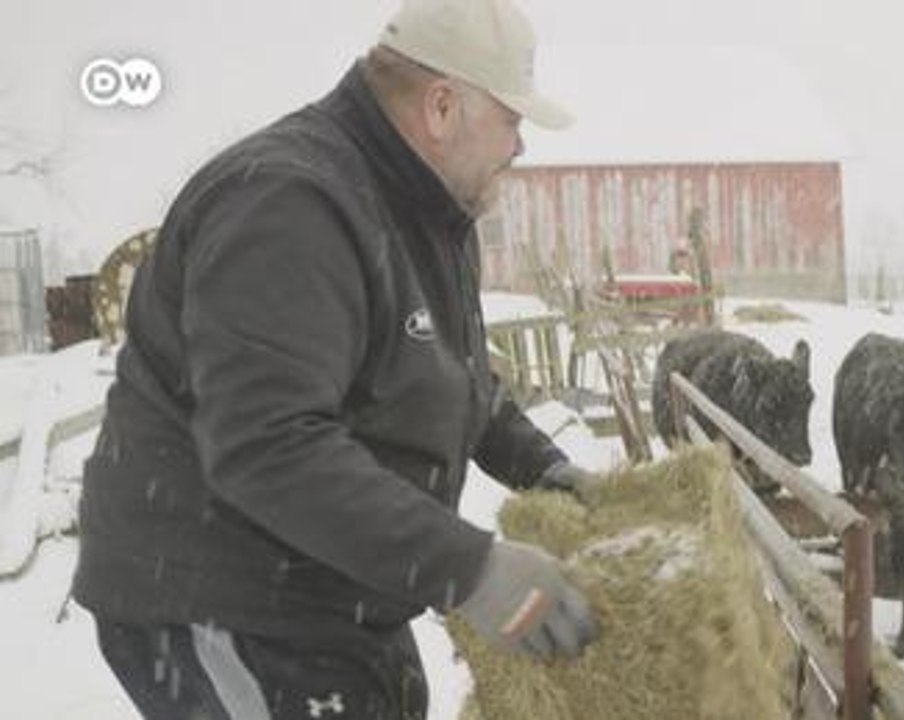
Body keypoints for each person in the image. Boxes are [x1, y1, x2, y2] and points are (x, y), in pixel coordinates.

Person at [72, 0, 599, 717]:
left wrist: (542, 466)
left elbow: (450, 377)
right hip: (226, 595)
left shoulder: (429, 215)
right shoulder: (290, 205)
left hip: (332, 583)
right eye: (511, 119)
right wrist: (471, 569)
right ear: (443, 106)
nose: (519, 146)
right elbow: (268, 445)